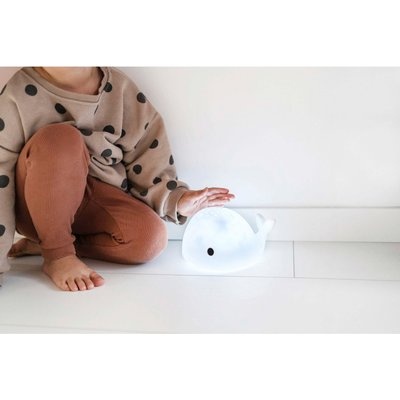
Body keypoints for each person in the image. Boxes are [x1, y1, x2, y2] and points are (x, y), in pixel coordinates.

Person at [0, 67, 234, 292]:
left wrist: (176, 199)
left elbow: (147, 155)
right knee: (60, 140)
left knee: (150, 238)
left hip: (96, 199)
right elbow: (2, 177)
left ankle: (50, 244)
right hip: (39, 202)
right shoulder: (17, 93)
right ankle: (57, 254)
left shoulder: (120, 89)